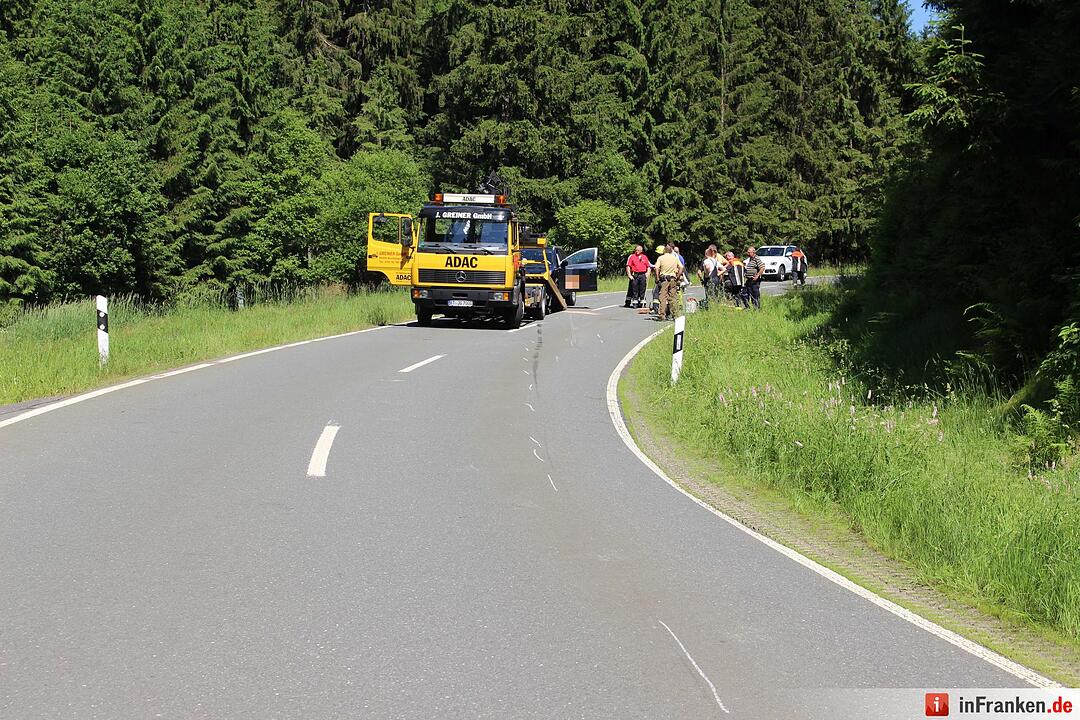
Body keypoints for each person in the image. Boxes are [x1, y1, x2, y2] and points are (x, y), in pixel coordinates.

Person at [654, 244, 683, 321]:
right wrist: (678, 276)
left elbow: (656, 268)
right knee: (673, 297)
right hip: (673, 279)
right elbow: (681, 267)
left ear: (664, 251)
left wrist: (657, 278)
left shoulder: (661, 258)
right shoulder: (675, 258)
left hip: (664, 279)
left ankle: (662, 315)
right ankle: (675, 315)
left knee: (663, 297)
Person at [698, 244, 722, 309]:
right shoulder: (715, 260)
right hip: (716, 278)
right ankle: (716, 307)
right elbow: (723, 269)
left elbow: (699, 272)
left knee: (708, 294)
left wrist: (702, 279)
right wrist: (719, 275)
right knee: (716, 294)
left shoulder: (705, 260)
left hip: (708, 279)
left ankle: (709, 307)